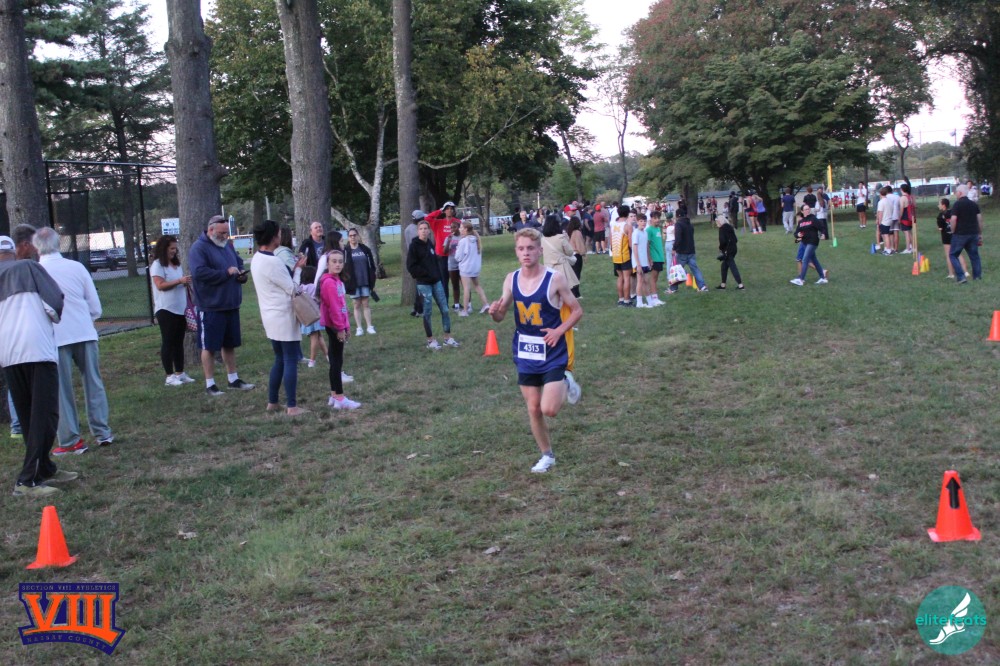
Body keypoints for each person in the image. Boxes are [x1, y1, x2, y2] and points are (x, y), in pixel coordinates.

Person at [488, 227, 583, 474]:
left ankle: (566, 380)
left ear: (540, 250)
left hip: (552, 351)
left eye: (530, 248)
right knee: (533, 408)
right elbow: (501, 315)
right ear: (516, 252)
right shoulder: (511, 279)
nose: (526, 253)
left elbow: (577, 310)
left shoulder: (555, 279)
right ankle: (547, 455)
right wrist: (495, 312)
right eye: (521, 249)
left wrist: (559, 331)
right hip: (526, 352)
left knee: (549, 409)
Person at [0, 232, 75, 497]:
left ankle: (44, 468)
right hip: (37, 350)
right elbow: (54, 302)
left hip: (8, 354)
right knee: (46, 415)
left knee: (28, 416)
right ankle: (27, 480)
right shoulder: (30, 268)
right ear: (15, 251)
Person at [34, 227, 113, 455]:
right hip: (84, 332)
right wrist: (85, 320)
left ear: (37, 247)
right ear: (58, 243)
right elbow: (95, 306)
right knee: (93, 382)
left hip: (55, 337)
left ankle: (70, 440)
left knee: (61, 389)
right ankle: (102, 432)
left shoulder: (37, 272)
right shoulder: (76, 267)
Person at [188, 214, 255, 396]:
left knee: (229, 344)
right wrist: (225, 273)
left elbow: (238, 263)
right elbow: (199, 273)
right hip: (211, 306)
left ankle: (233, 379)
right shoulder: (199, 248)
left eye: (227, 233)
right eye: (222, 233)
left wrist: (241, 275)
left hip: (230, 304)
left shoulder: (227, 245)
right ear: (211, 230)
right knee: (209, 346)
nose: (225, 236)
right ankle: (210, 384)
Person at [249, 220, 305, 416]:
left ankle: (272, 402)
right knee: (290, 359)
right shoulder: (273, 261)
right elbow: (293, 289)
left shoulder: (257, 258)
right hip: (283, 315)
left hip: (269, 315)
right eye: (279, 233)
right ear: (273, 237)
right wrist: (298, 269)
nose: (281, 236)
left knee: (279, 359)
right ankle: (292, 406)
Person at [149, 235, 195, 386]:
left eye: (175, 248)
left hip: (180, 308)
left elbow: (177, 282)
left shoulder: (176, 264)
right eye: (171, 248)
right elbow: (160, 285)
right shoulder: (157, 265)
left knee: (178, 342)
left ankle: (180, 373)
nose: (174, 251)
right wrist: (179, 281)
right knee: (168, 342)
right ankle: (169, 376)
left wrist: (184, 282)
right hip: (166, 309)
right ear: (163, 249)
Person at [406, 220, 460, 350]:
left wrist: (437, 275)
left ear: (429, 231)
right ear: (418, 231)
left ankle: (447, 338)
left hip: (436, 282)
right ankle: (430, 341)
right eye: (421, 229)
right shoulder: (414, 246)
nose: (424, 231)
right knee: (427, 312)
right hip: (424, 284)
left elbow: (434, 261)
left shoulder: (430, 243)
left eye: (426, 228)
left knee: (445, 309)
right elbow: (411, 266)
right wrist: (424, 274)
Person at [318, 250, 360, 410]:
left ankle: (334, 395)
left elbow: (342, 305)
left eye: (340, 261)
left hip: (338, 325)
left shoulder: (336, 281)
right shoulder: (329, 283)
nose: (337, 264)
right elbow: (334, 309)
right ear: (327, 263)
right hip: (334, 326)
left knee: (335, 360)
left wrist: (347, 325)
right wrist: (340, 328)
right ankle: (340, 397)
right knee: (336, 362)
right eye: (334, 261)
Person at [424, 201, 460, 306]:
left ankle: (457, 304)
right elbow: (427, 218)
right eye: (447, 208)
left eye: (451, 208)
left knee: (456, 281)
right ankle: (445, 304)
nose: (450, 210)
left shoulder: (457, 222)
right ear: (444, 211)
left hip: (455, 256)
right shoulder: (438, 223)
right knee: (444, 281)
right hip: (441, 256)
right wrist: (440, 210)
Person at [344, 228, 378, 335]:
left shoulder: (365, 249)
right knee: (356, 304)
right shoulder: (345, 251)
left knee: (366, 303)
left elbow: (372, 266)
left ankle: (369, 326)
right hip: (353, 283)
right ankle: (359, 328)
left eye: (354, 235)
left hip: (365, 281)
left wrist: (372, 280)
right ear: (348, 238)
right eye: (350, 236)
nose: (353, 237)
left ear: (358, 236)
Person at [949, 184, 983, 283]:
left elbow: (953, 219)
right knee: (974, 256)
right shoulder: (973, 204)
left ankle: (961, 277)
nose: (956, 194)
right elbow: (979, 219)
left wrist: (953, 230)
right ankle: (977, 277)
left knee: (953, 255)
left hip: (960, 234)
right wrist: (980, 233)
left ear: (960, 193)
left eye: (956, 192)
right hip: (973, 233)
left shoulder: (957, 204)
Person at [454, 221, 490, 315]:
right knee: (477, 286)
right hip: (475, 267)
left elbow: (458, 257)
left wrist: (457, 250)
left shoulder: (463, 241)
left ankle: (465, 311)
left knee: (466, 288)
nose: (459, 229)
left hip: (466, 268)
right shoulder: (476, 239)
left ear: (465, 229)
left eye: (461, 227)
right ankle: (486, 304)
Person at [790, 204, 828, 286]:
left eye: (808, 209)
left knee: (805, 259)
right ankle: (823, 278)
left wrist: (823, 234)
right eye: (806, 209)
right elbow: (796, 233)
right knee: (814, 260)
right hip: (804, 242)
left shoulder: (813, 219)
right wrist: (798, 235)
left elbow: (821, 227)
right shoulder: (801, 222)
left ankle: (801, 279)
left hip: (813, 242)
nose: (808, 210)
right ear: (802, 211)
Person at [298, 266, 327, 367]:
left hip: (305, 316)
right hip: (315, 315)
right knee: (315, 337)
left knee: (318, 336)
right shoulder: (314, 287)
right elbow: (319, 299)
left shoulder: (300, 288)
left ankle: (327, 355)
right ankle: (312, 360)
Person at [672, 214, 708, 291]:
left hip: (682, 251)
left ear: (677, 216)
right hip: (691, 251)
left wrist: (674, 248)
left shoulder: (678, 224)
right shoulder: (690, 224)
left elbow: (678, 238)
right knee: (695, 269)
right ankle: (702, 286)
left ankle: (673, 288)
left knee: (677, 269)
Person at [936, 198, 969, 279]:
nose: (938, 205)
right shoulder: (953, 212)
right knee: (959, 254)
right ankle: (965, 272)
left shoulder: (940, 216)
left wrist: (939, 228)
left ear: (943, 205)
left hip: (946, 237)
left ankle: (951, 274)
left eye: (939, 204)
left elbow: (940, 228)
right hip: (956, 235)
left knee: (948, 255)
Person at [609, 205, 633, 305]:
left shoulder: (613, 225)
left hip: (616, 255)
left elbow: (611, 241)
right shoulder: (627, 226)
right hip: (625, 255)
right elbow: (631, 244)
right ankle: (627, 300)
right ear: (627, 214)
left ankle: (621, 299)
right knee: (627, 278)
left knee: (620, 277)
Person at [405, 211, 426, 316]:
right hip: (419, 260)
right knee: (422, 285)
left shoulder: (408, 229)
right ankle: (419, 309)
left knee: (419, 285)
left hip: (413, 259)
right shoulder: (416, 230)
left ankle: (416, 307)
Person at [716, 215, 744, 290]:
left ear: (720, 221)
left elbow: (722, 241)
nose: (716, 223)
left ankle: (741, 285)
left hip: (727, 251)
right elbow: (735, 239)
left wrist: (720, 248)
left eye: (717, 221)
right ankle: (723, 285)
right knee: (724, 266)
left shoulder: (722, 229)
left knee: (732, 266)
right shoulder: (730, 227)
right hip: (734, 249)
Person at [631, 212, 654, 307]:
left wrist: (649, 259)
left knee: (646, 281)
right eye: (641, 221)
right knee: (640, 281)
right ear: (637, 222)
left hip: (645, 261)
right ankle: (639, 302)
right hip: (638, 262)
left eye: (644, 221)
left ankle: (650, 301)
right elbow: (635, 249)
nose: (643, 223)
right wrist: (638, 264)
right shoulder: (636, 233)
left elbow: (646, 247)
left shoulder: (645, 233)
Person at [443, 220, 463, 311]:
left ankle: (468, 304)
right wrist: (448, 241)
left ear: (459, 227)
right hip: (452, 264)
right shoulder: (448, 238)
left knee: (465, 285)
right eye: (451, 227)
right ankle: (456, 305)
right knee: (455, 285)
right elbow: (445, 251)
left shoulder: (462, 237)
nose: (452, 229)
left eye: (454, 227)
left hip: (462, 264)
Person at [646, 210, 666, 303]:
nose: (657, 220)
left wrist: (662, 257)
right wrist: (650, 258)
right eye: (655, 218)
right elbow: (647, 245)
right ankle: (654, 298)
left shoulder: (658, 229)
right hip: (654, 258)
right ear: (651, 219)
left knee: (656, 278)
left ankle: (652, 295)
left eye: (658, 218)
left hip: (659, 257)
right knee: (653, 278)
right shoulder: (649, 230)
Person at [566, 216, 586, 298]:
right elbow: (579, 245)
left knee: (572, 275)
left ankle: (574, 292)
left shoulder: (569, 232)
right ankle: (575, 293)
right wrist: (583, 254)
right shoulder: (577, 232)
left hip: (570, 255)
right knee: (576, 275)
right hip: (576, 255)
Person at [899, 183, 916, 254]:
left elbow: (901, 209)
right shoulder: (910, 197)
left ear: (902, 189)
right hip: (911, 217)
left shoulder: (902, 198)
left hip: (905, 217)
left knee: (906, 233)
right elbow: (914, 206)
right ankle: (914, 247)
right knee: (909, 232)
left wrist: (899, 217)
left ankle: (908, 248)